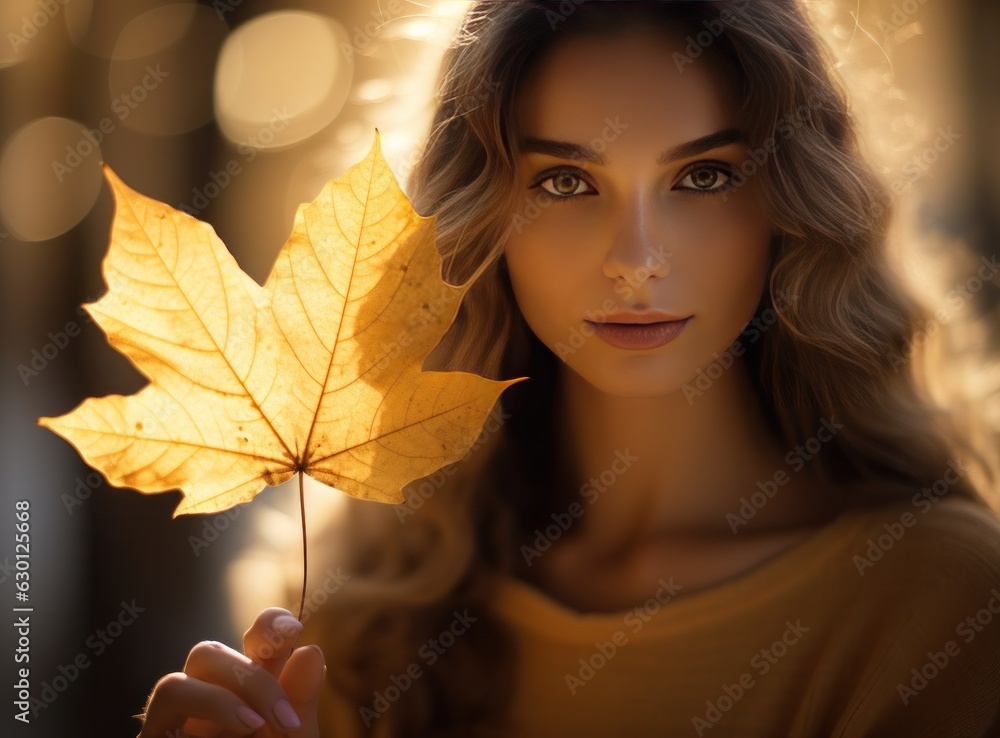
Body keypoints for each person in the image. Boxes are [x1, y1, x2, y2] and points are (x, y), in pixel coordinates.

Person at [136, 2, 1000, 736]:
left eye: (702, 176)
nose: (636, 258)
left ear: (792, 203)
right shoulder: (372, 603)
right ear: (480, 219)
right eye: (562, 183)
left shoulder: (938, 602)